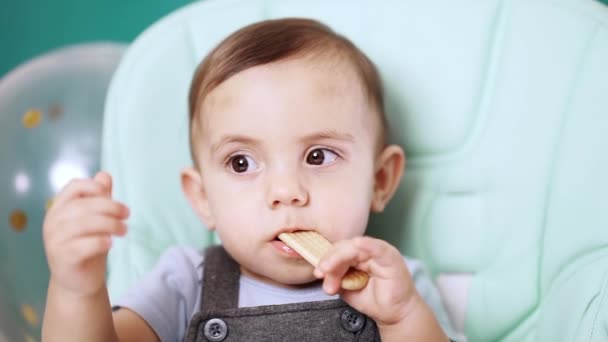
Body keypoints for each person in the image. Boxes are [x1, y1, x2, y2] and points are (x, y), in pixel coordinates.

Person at [42, 18, 459, 341]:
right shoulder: (185, 283)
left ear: (380, 180)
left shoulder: (395, 285)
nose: (285, 192)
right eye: (241, 163)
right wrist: (76, 288)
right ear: (203, 197)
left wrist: (403, 318)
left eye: (318, 156)